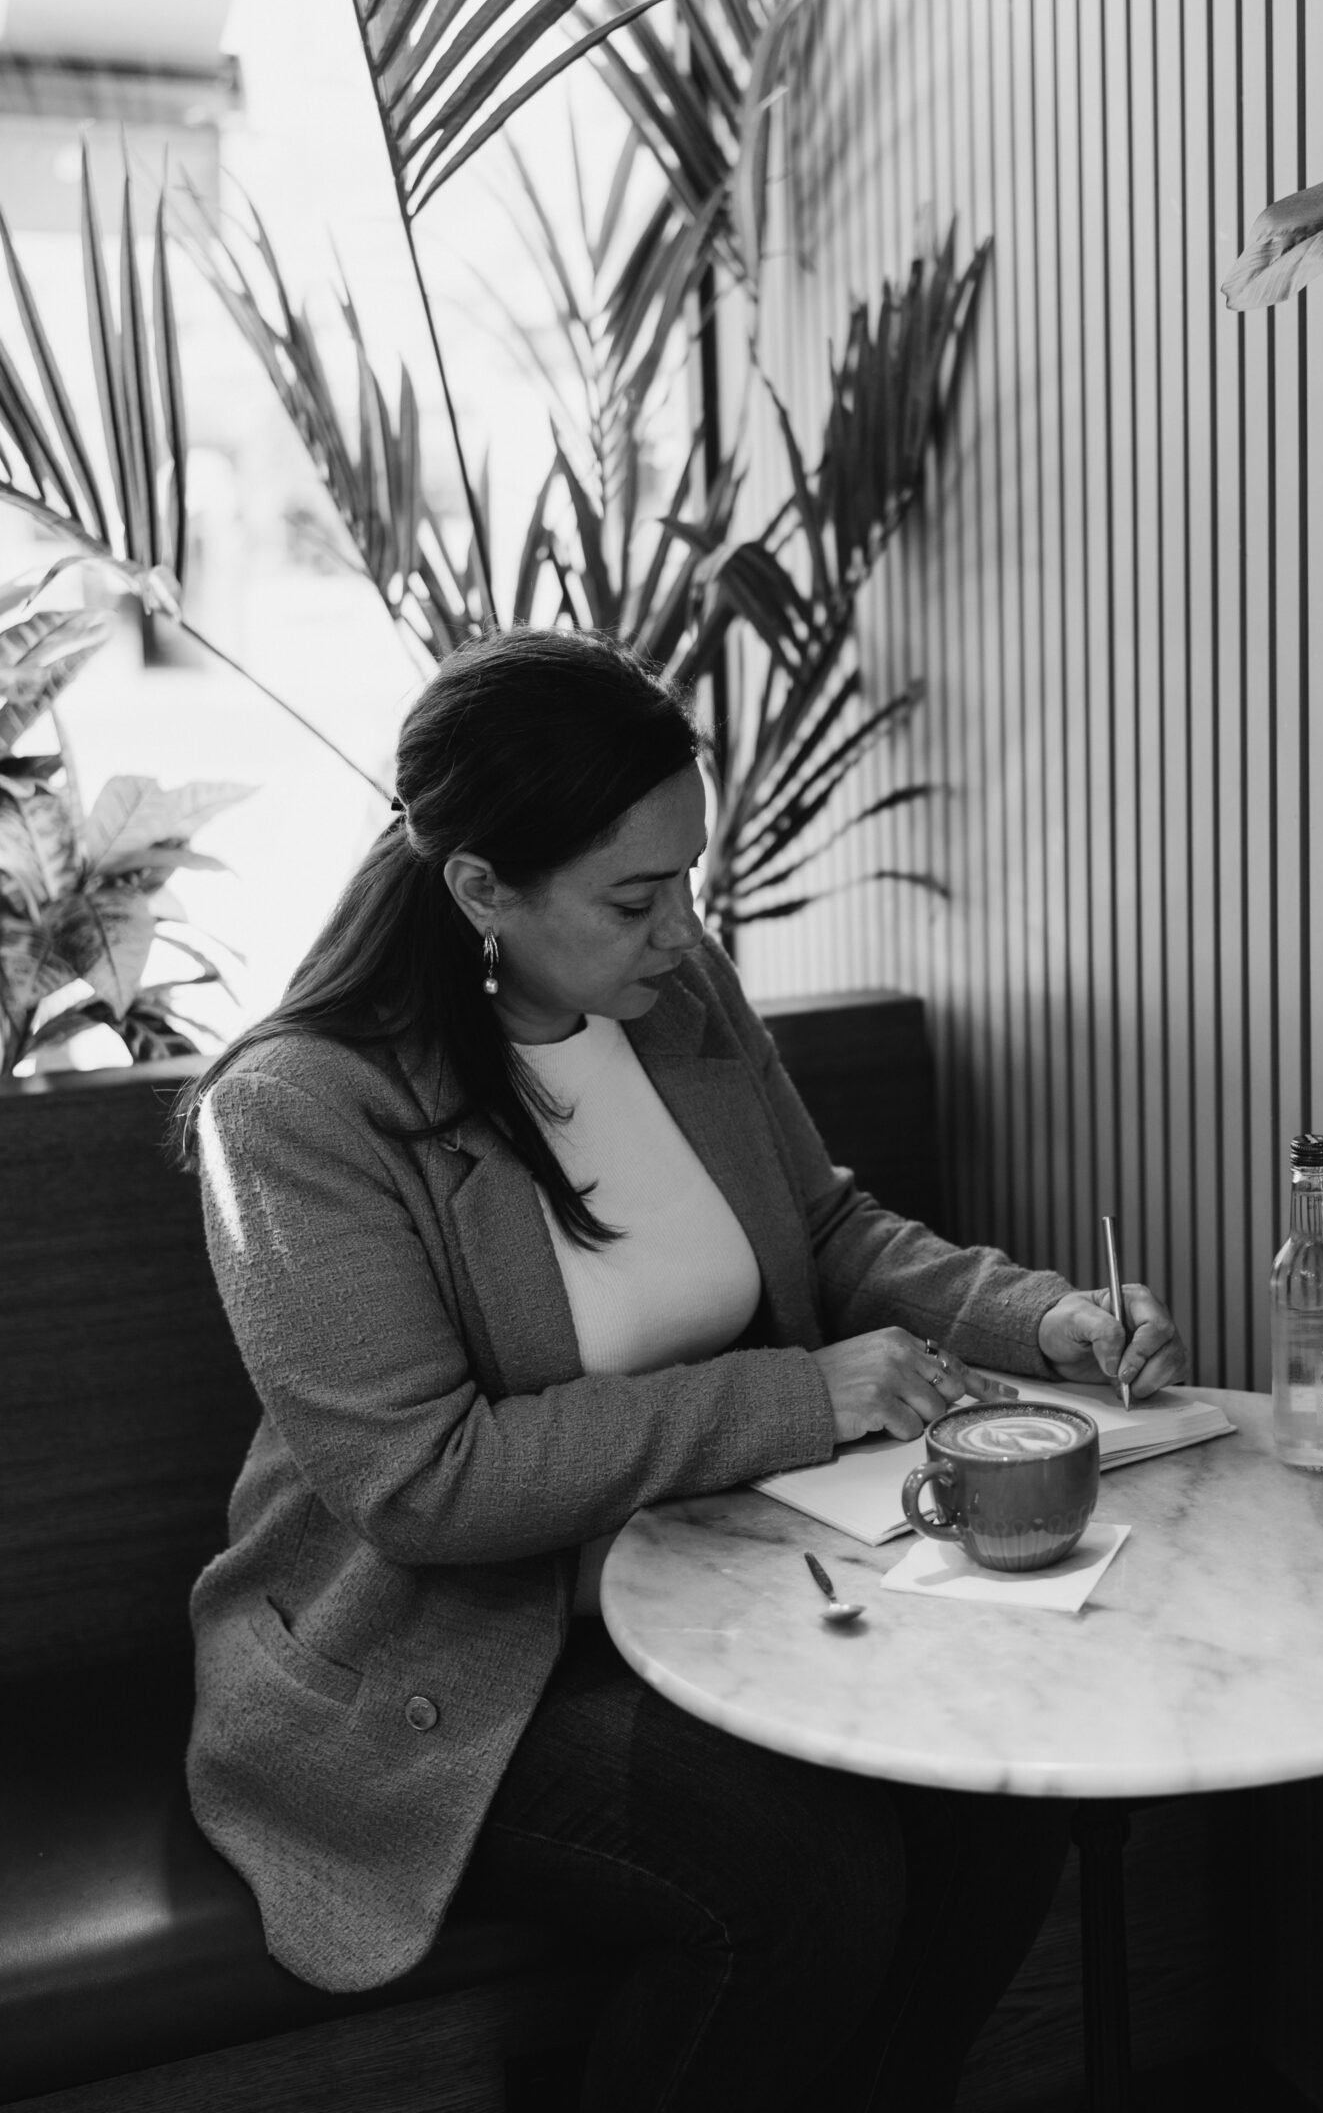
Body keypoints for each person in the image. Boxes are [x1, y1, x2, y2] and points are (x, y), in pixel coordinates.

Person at [178, 628, 1188, 2111]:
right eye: (636, 898)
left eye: (690, 880)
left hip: (727, 1570)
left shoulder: (674, 988)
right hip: (447, 1653)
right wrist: (799, 1397)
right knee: (804, 1875)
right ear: (480, 889)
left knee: (995, 1791)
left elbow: (820, 1227)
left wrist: (1038, 1318)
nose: (683, 929)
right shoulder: (299, 1111)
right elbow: (421, 1484)